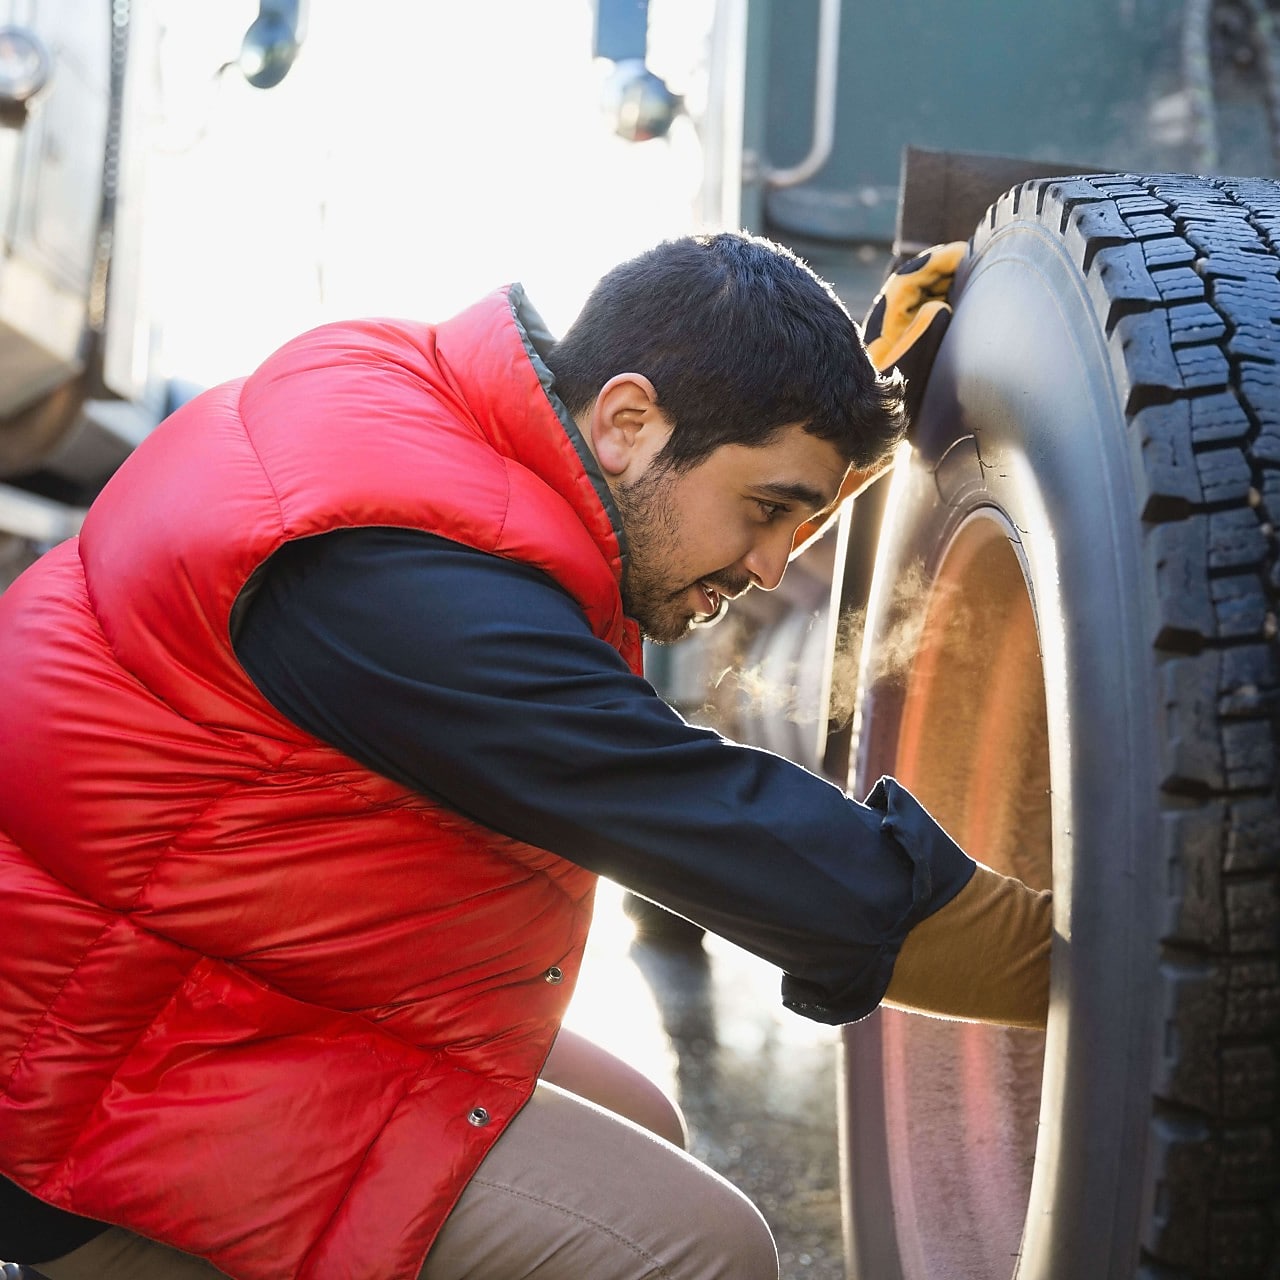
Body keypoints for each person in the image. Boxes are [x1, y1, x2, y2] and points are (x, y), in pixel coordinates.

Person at [0, 232, 1050, 1280]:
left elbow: (696, 481)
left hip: (175, 960)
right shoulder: (398, 585)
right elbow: (707, 819)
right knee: (696, 1248)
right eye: (768, 510)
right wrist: (1095, 968)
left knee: (639, 1119)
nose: (774, 565)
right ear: (626, 420)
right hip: (71, 1067)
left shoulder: (436, 433)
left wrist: (861, 409)